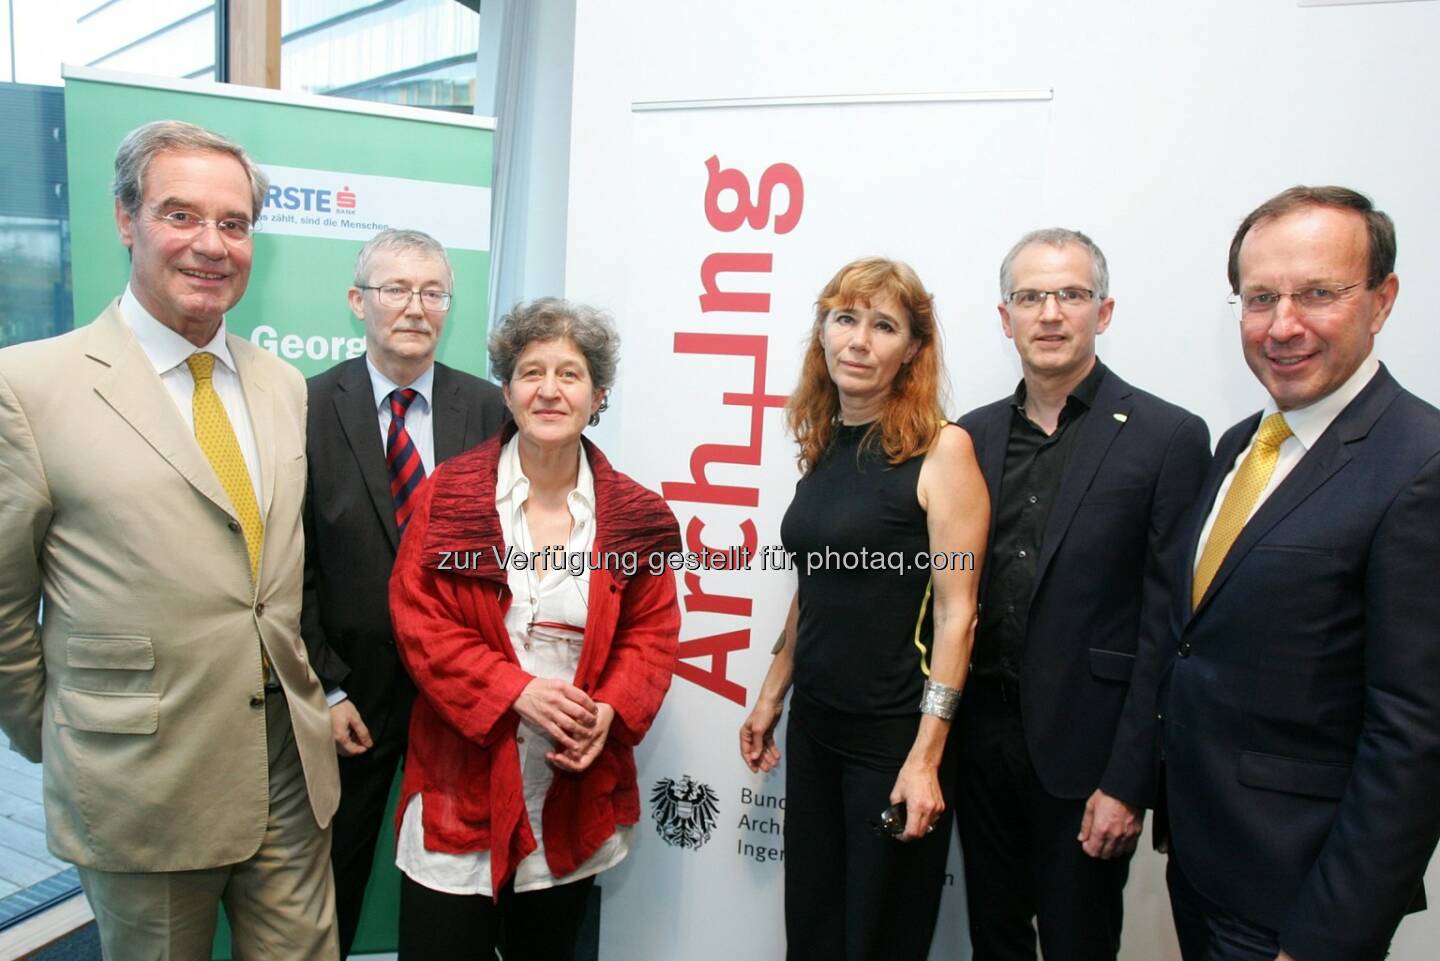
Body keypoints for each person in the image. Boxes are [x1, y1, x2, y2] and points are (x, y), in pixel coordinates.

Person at [0, 120, 339, 958]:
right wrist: (69, 732)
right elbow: (5, 606)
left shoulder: (281, 383)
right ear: (126, 219)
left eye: (233, 223)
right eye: (180, 215)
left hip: (289, 767)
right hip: (141, 780)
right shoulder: (29, 386)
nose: (211, 245)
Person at [1163, 186, 1440, 961]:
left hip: (1299, 905)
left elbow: (1413, 741)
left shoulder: (1421, 465)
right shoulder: (1240, 444)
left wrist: (1325, 941)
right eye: (1260, 298)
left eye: (1318, 293)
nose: (1282, 324)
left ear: (1381, 301)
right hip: (1206, 867)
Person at [387, 297, 681, 960]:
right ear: (507, 388)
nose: (549, 388)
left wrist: (610, 709)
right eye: (531, 371)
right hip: (459, 777)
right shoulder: (450, 493)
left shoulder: (638, 513)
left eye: (570, 374)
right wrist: (513, 688)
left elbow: (652, 633)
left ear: (598, 393)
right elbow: (418, 619)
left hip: (568, 785)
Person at [954, 229, 1210, 961]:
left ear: (1105, 310)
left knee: (1079, 945)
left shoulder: (1166, 436)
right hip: (980, 745)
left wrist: (1130, 780)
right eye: (1030, 296)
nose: (1051, 313)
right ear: (1005, 318)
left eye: (1071, 293)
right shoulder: (969, 437)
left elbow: (1170, 625)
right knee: (993, 941)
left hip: (1087, 755)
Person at [739, 257, 989, 961]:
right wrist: (770, 696)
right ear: (822, 332)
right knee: (813, 934)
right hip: (817, 727)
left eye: (883, 325)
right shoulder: (825, 444)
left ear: (912, 348)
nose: (858, 339)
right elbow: (816, 584)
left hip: (893, 740)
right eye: (844, 318)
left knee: (876, 942)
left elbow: (958, 613)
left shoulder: (943, 450)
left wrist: (925, 757)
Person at [302, 228, 506, 957]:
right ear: (358, 300)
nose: (415, 307)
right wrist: (324, 690)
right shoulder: (306, 407)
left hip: (459, 700)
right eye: (395, 289)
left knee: (459, 882)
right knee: (330, 884)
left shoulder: (490, 411)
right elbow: (289, 570)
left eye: (432, 291)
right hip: (349, 699)